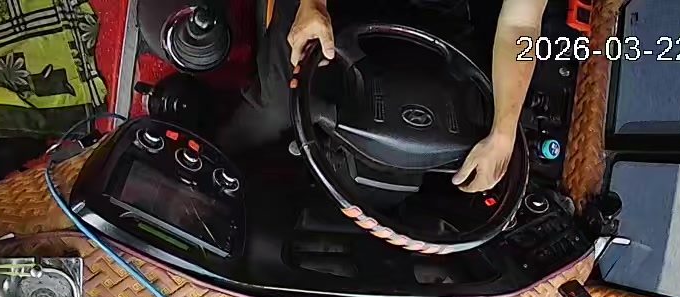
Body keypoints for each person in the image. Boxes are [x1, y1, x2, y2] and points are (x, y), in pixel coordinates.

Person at [220, 0, 549, 193]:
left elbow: (521, 26)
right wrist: (313, 5)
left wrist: (503, 132)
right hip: (334, 6)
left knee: (468, 133)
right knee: (279, 110)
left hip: (436, 19)